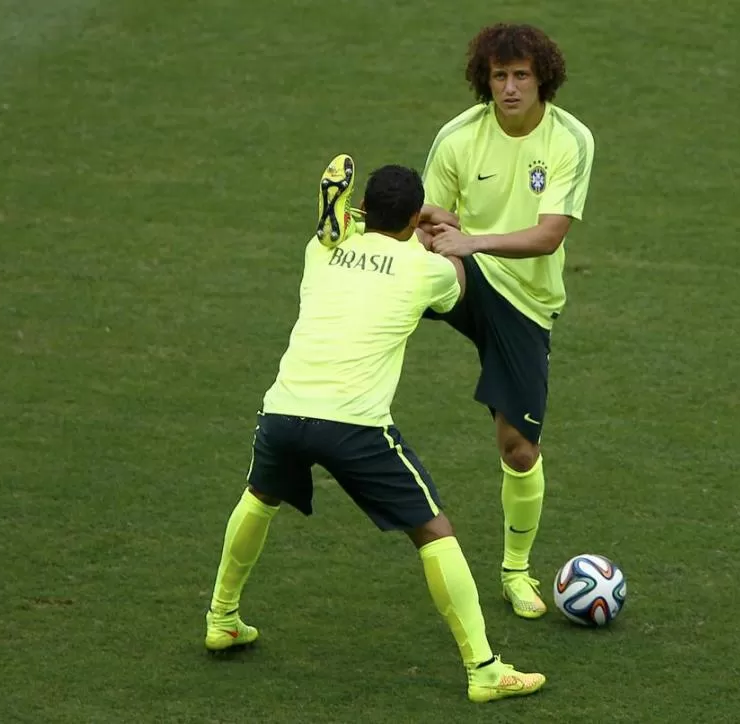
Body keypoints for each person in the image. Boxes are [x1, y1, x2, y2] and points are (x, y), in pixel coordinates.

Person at [203, 156, 545, 703]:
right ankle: (483, 670)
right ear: (413, 216)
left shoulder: (321, 249)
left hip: (283, 411)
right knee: (435, 532)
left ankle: (221, 617)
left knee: (259, 496)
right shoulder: (426, 268)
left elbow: (364, 234)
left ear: (361, 208)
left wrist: (381, 222)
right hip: (354, 426)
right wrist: (440, 233)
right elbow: (457, 286)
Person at [419, 23, 596, 620]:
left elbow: (549, 236)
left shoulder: (569, 139)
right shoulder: (458, 138)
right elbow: (426, 221)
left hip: (524, 300)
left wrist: (473, 241)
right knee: (421, 272)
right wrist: (438, 235)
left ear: (542, 77)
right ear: (484, 80)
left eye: (521, 74)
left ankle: (516, 571)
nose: (511, 86)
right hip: (467, 274)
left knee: (519, 450)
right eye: (500, 75)